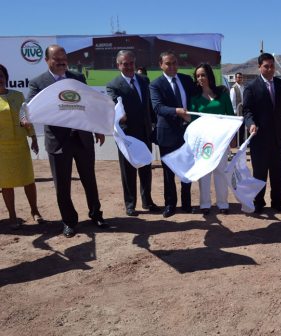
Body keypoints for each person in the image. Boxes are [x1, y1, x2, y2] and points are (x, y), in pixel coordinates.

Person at [26, 44, 106, 238]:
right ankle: (69, 222)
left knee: (90, 180)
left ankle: (96, 214)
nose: (62, 62)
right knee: (62, 185)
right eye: (57, 58)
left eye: (64, 58)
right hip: (58, 142)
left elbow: (88, 105)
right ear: (47, 60)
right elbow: (28, 107)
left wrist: (97, 128)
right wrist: (24, 117)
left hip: (82, 139)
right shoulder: (38, 82)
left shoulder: (77, 78)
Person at [106, 50, 159, 217]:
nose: (128, 66)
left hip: (144, 132)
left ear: (134, 63)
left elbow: (149, 105)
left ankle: (147, 201)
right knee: (127, 171)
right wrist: (119, 115)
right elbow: (115, 106)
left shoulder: (144, 80)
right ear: (118, 65)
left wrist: (154, 123)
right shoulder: (113, 85)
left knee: (145, 168)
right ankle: (130, 204)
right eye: (124, 63)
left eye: (130, 63)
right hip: (126, 135)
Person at [242, 53, 281, 214]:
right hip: (259, 138)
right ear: (259, 67)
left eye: (272, 66)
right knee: (259, 173)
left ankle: (277, 202)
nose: (270, 69)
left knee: (278, 172)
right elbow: (247, 110)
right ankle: (258, 202)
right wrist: (251, 124)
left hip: (279, 137)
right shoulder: (251, 87)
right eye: (266, 66)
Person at [149, 51, 195, 218]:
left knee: (187, 169)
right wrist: (177, 111)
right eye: (168, 63)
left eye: (175, 62)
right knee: (169, 172)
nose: (172, 66)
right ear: (161, 64)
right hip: (167, 134)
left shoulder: (186, 80)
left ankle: (187, 204)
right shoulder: (156, 85)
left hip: (187, 133)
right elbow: (158, 108)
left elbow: (198, 96)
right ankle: (170, 204)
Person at [0, 64, 44, 229]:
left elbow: (26, 117)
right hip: (1, 148)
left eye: (1, 75)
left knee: (28, 179)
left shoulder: (18, 96)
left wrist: (33, 137)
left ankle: (35, 211)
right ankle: (12, 216)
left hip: (20, 144)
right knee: (6, 183)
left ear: (6, 77)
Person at [190, 63, 234, 215]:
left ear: (209, 76)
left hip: (221, 141)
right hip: (203, 143)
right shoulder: (194, 99)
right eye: (198, 76)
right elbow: (192, 123)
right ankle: (205, 205)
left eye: (203, 75)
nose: (201, 78)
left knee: (220, 172)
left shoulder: (223, 96)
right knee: (204, 173)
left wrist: (230, 139)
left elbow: (231, 118)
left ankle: (223, 203)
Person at [230, 72, 246, 148]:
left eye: (241, 77)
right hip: (237, 112)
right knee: (238, 129)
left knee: (243, 128)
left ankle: (242, 143)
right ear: (235, 78)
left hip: (243, 111)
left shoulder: (243, 87)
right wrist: (235, 112)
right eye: (238, 77)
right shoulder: (233, 88)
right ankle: (237, 144)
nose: (239, 79)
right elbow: (232, 101)